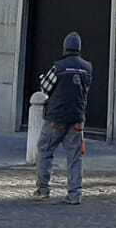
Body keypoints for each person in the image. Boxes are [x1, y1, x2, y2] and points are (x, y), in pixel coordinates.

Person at [34, 32, 94, 206]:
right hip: (77, 119)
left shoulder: (58, 67)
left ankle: (43, 190)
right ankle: (75, 194)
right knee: (75, 157)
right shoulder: (87, 68)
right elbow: (86, 89)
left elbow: (45, 88)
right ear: (79, 48)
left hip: (56, 118)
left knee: (45, 150)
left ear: (65, 47)